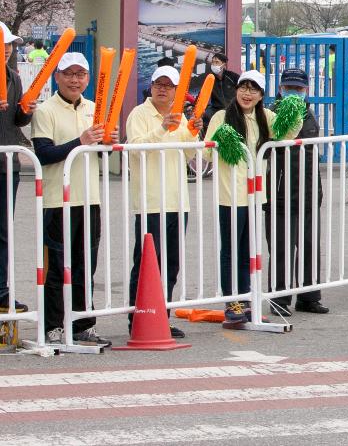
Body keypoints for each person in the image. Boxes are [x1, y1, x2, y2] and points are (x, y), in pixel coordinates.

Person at [31, 52, 109, 346]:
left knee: (85, 265)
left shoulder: (94, 108)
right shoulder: (46, 110)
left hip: (90, 199)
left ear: (88, 79)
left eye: (81, 74)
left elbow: (104, 147)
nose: (75, 80)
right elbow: (43, 153)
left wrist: (109, 139)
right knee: (57, 268)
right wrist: (81, 141)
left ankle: (81, 324)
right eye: (69, 74)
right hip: (56, 200)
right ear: (57, 76)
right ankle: (53, 325)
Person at [123, 65, 193, 339]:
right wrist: (162, 129)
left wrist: (192, 132)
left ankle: (161, 315)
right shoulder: (139, 114)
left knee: (171, 263)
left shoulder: (179, 115)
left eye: (168, 85)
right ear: (151, 86)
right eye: (158, 84)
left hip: (178, 200)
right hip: (151, 201)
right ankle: (137, 318)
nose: (162, 89)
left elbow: (187, 156)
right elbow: (137, 151)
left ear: (176, 90)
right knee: (145, 262)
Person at [204, 70, 275, 326]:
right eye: (243, 87)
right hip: (230, 196)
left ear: (261, 95)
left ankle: (245, 300)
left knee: (249, 251)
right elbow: (205, 154)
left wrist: (294, 107)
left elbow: (289, 134)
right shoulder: (222, 117)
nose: (247, 93)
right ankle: (231, 301)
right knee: (231, 251)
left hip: (255, 196)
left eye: (253, 89)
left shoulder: (266, 117)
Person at [264, 68, 328, 315]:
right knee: (281, 248)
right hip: (281, 192)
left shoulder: (309, 112)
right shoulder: (272, 113)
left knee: (310, 246)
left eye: (299, 89)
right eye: (289, 88)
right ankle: (279, 300)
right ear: (280, 88)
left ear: (307, 90)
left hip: (309, 190)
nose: (294, 93)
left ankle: (309, 296)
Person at [0, 22, 31, 313]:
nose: (7, 48)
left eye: (10, 44)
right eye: (3, 43)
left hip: (7, 165)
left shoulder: (14, 77)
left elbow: (16, 123)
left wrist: (25, 111)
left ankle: (1, 290)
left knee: (3, 230)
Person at [206, 51, 241, 123]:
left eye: (217, 62)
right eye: (212, 62)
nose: (214, 64)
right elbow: (203, 94)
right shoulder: (209, 78)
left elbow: (242, 90)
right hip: (216, 111)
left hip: (233, 110)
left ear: (224, 64)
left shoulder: (233, 76)